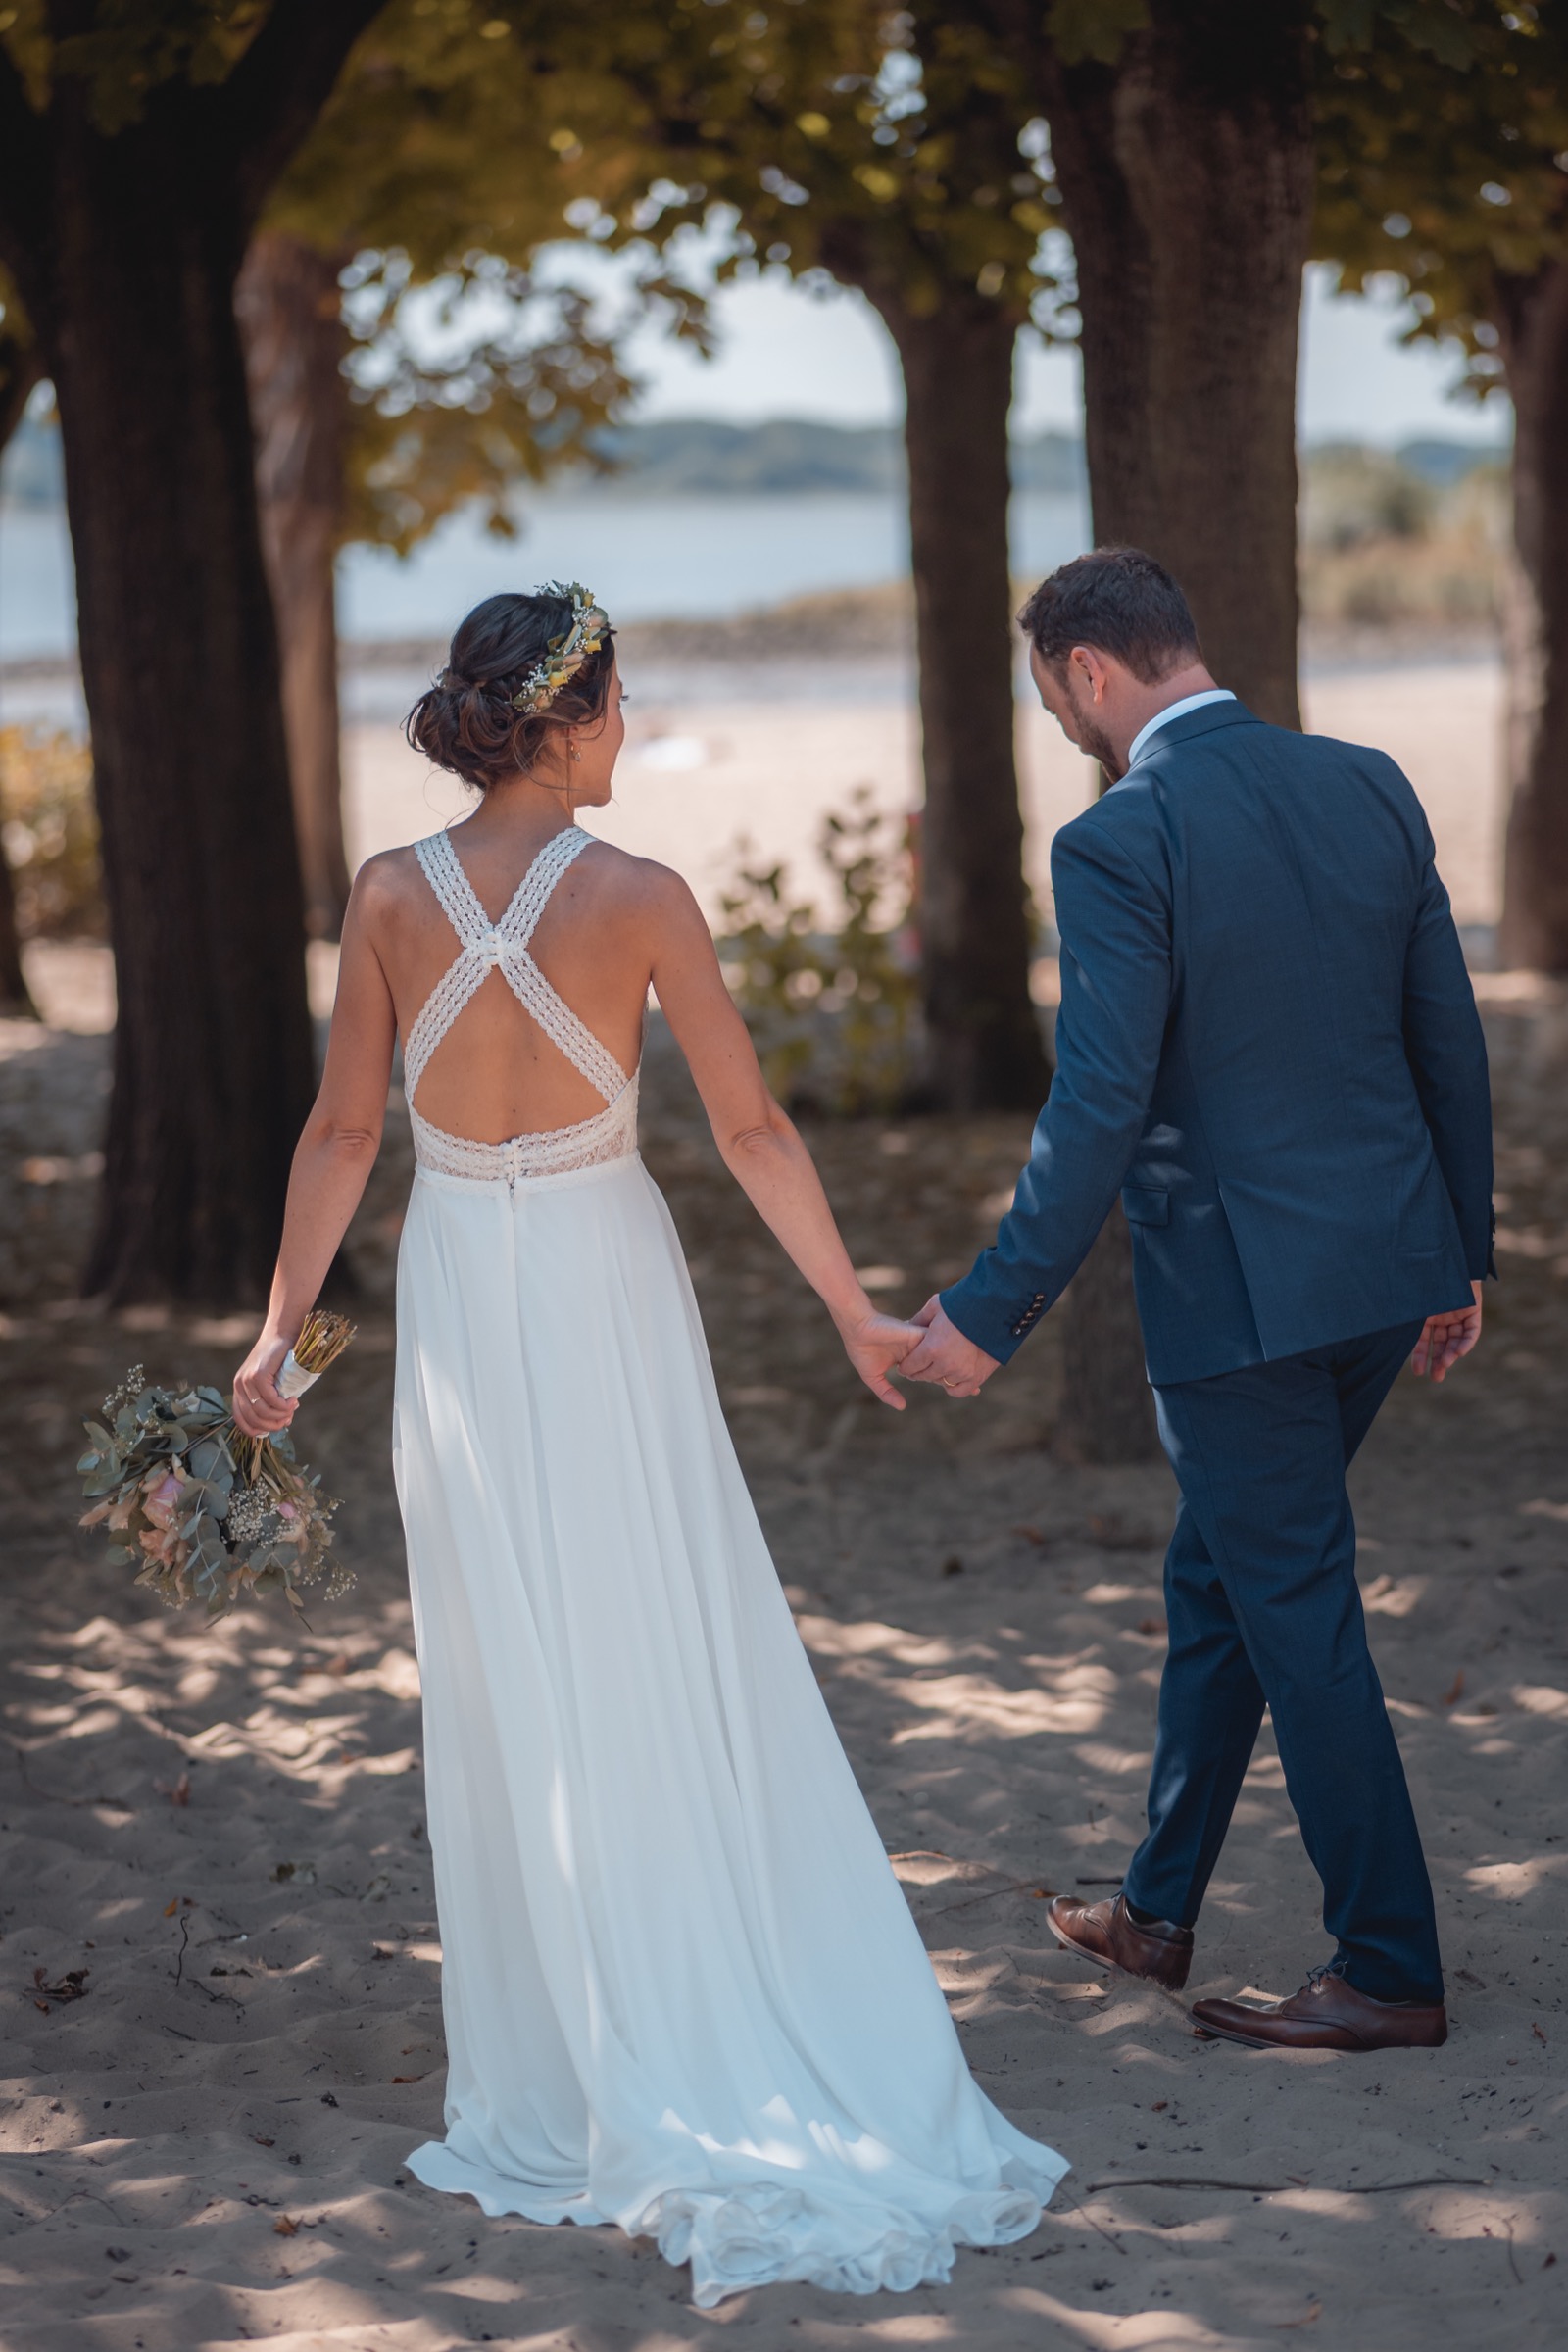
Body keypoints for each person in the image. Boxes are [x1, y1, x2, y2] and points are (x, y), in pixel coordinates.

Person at [231, 584, 1066, 2307]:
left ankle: (558, 2063)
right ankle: (679, 1995)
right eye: (614, 705)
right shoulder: (644, 901)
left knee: (510, 1659)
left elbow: (338, 1133)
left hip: (465, 1287)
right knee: (650, 1629)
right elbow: (750, 1129)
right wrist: (851, 1309)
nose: (626, 729)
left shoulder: (388, 897)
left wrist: (279, 1332)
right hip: (606, 1282)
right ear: (558, 720)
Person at [903, 547, 1493, 2055]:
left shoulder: (1121, 839)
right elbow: (1447, 1032)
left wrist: (989, 1307)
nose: (1064, 723)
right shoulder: (1367, 780)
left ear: (1089, 674)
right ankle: (1157, 1912)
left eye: (1055, 699)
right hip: (1382, 1273)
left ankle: (1388, 1966)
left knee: (1299, 1611)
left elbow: (1096, 1104)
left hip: (1243, 1300)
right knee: (1223, 1579)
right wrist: (1462, 1252)